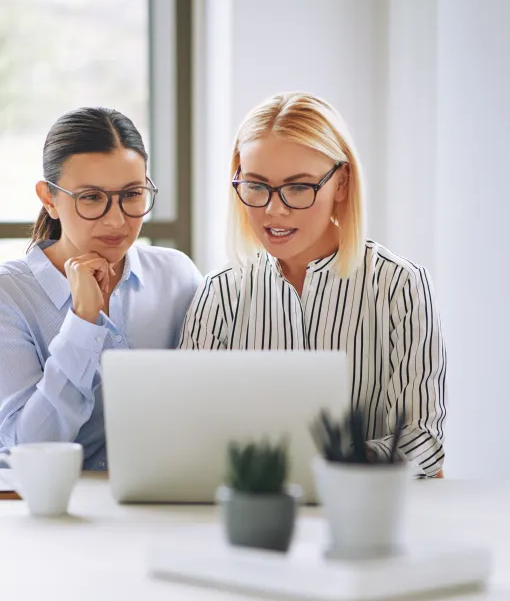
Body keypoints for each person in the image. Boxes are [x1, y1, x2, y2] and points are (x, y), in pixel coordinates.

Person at [180, 92, 446, 476]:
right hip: (250, 510)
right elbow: (187, 426)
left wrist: (322, 465)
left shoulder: (399, 285)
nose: (274, 209)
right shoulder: (220, 292)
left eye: (299, 187)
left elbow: (422, 441)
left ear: (341, 184)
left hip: (360, 512)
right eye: (256, 186)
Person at [0, 107, 201, 469]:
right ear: (49, 199)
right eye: (91, 197)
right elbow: (26, 451)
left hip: (163, 500)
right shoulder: (10, 295)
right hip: (57, 511)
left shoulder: (177, 276)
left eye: (132, 194)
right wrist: (83, 322)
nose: (116, 219)